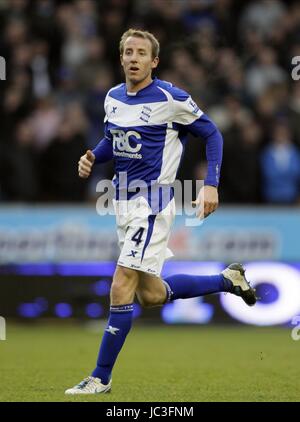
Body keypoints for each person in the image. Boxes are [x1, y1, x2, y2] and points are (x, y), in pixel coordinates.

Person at [65, 29, 257, 395]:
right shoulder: (113, 98)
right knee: (151, 295)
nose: (134, 58)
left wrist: (211, 183)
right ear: (120, 58)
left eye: (141, 53)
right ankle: (227, 280)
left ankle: (99, 377)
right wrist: (92, 155)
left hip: (152, 204)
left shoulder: (171, 97)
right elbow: (113, 141)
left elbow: (212, 133)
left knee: (121, 284)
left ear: (154, 61)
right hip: (122, 203)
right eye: (128, 52)